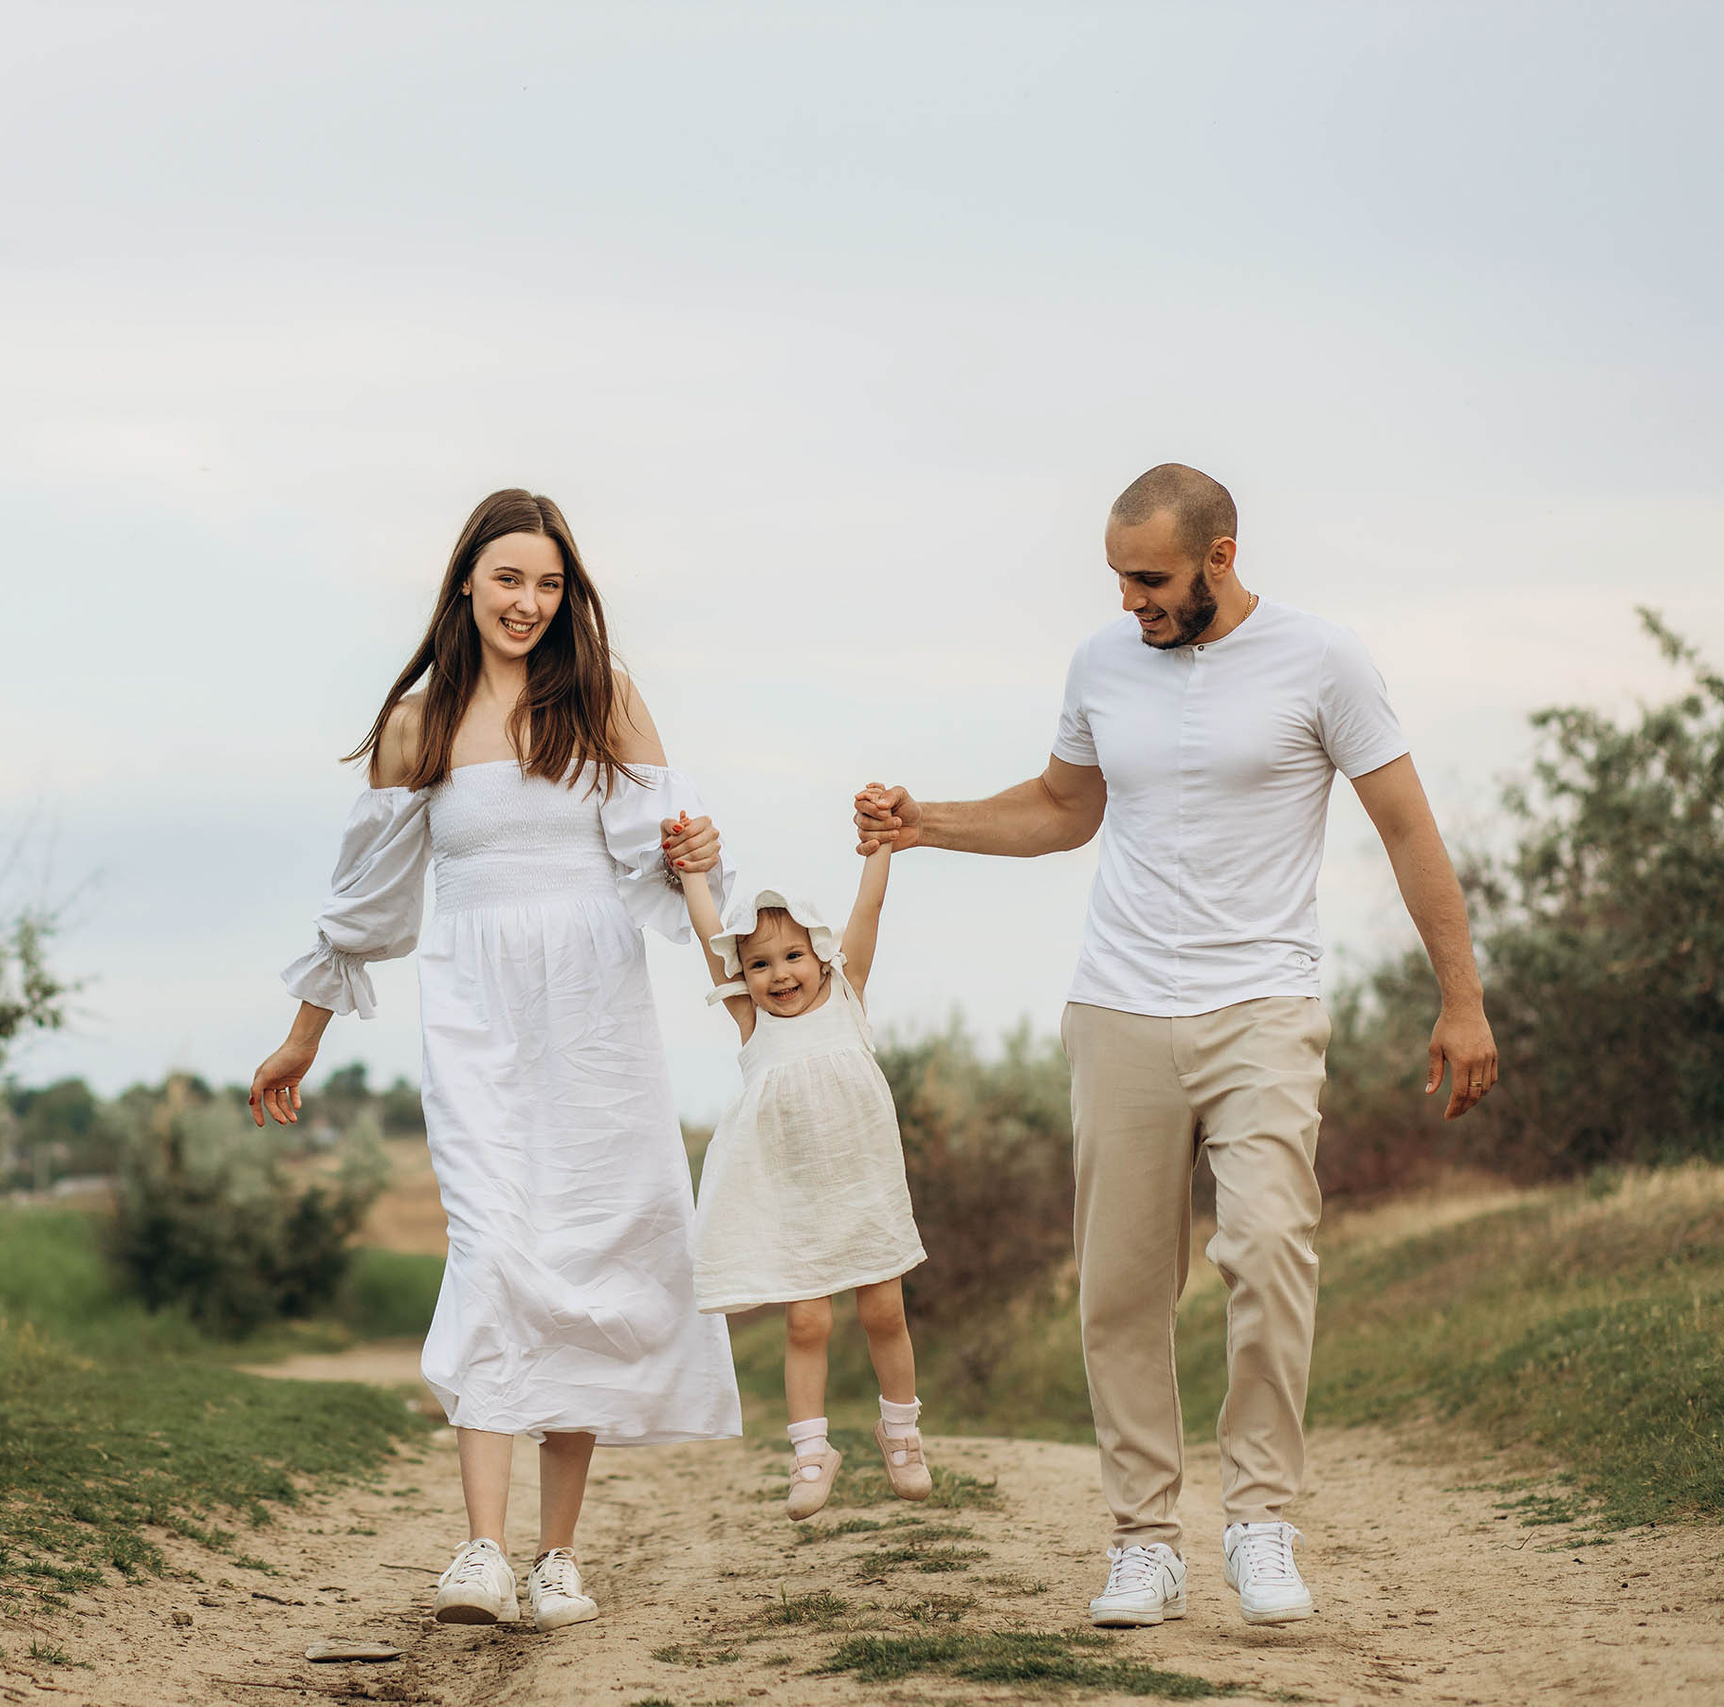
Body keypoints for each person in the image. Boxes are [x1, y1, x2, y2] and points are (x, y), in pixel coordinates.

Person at [854, 463, 1499, 1630]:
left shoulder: (1323, 660)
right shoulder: (1102, 664)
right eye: (1115, 578)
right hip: (1117, 1009)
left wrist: (1462, 998)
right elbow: (1064, 808)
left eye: (1148, 579)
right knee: (1119, 1287)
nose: (1128, 602)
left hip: (1261, 1006)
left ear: (1220, 557)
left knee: (1265, 1251)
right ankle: (1143, 1539)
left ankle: (1258, 1519)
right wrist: (928, 822)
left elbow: (1404, 825)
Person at [249, 489, 741, 1634]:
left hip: (595, 1016)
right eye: (509, 578)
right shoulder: (418, 726)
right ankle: (479, 1548)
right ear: (466, 581)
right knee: (494, 1248)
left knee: (588, 1252)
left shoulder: (604, 702)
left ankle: (557, 1558)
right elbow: (363, 910)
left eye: (549, 583)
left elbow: (669, 868)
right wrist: (303, 1036)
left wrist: (711, 892)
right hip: (475, 1015)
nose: (529, 602)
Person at [674, 826, 932, 1518]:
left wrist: (880, 843)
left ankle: (901, 1432)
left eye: (792, 955)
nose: (779, 974)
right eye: (759, 964)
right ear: (743, 975)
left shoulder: (850, 996)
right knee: (806, 1324)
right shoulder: (752, 1024)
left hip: (863, 1187)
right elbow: (709, 943)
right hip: (793, 1199)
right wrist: (692, 876)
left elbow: (869, 910)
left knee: (884, 1310)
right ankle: (812, 1452)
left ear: (820, 953)